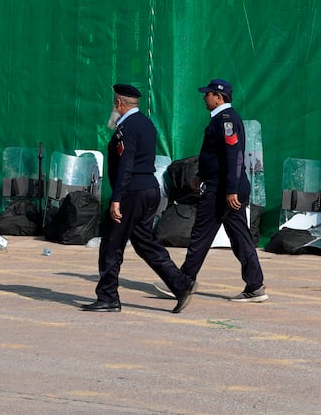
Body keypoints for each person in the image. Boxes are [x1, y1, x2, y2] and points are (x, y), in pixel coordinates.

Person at [80, 83, 196, 313]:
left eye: (114, 103)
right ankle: (181, 284)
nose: (113, 107)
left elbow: (126, 164)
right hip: (148, 189)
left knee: (111, 245)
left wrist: (117, 198)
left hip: (132, 192)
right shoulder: (146, 123)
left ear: (119, 103)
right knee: (145, 244)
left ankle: (108, 297)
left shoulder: (127, 128)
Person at [175, 77, 267, 303]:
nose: (204, 97)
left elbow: (234, 156)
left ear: (218, 97)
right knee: (239, 236)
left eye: (207, 94)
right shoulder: (222, 119)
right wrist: (201, 175)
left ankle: (183, 281)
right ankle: (255, 285)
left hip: (222, 190)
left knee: (201, 234)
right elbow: (215, 156)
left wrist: (231, 189)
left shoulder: (225, 120)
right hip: (222, 186)